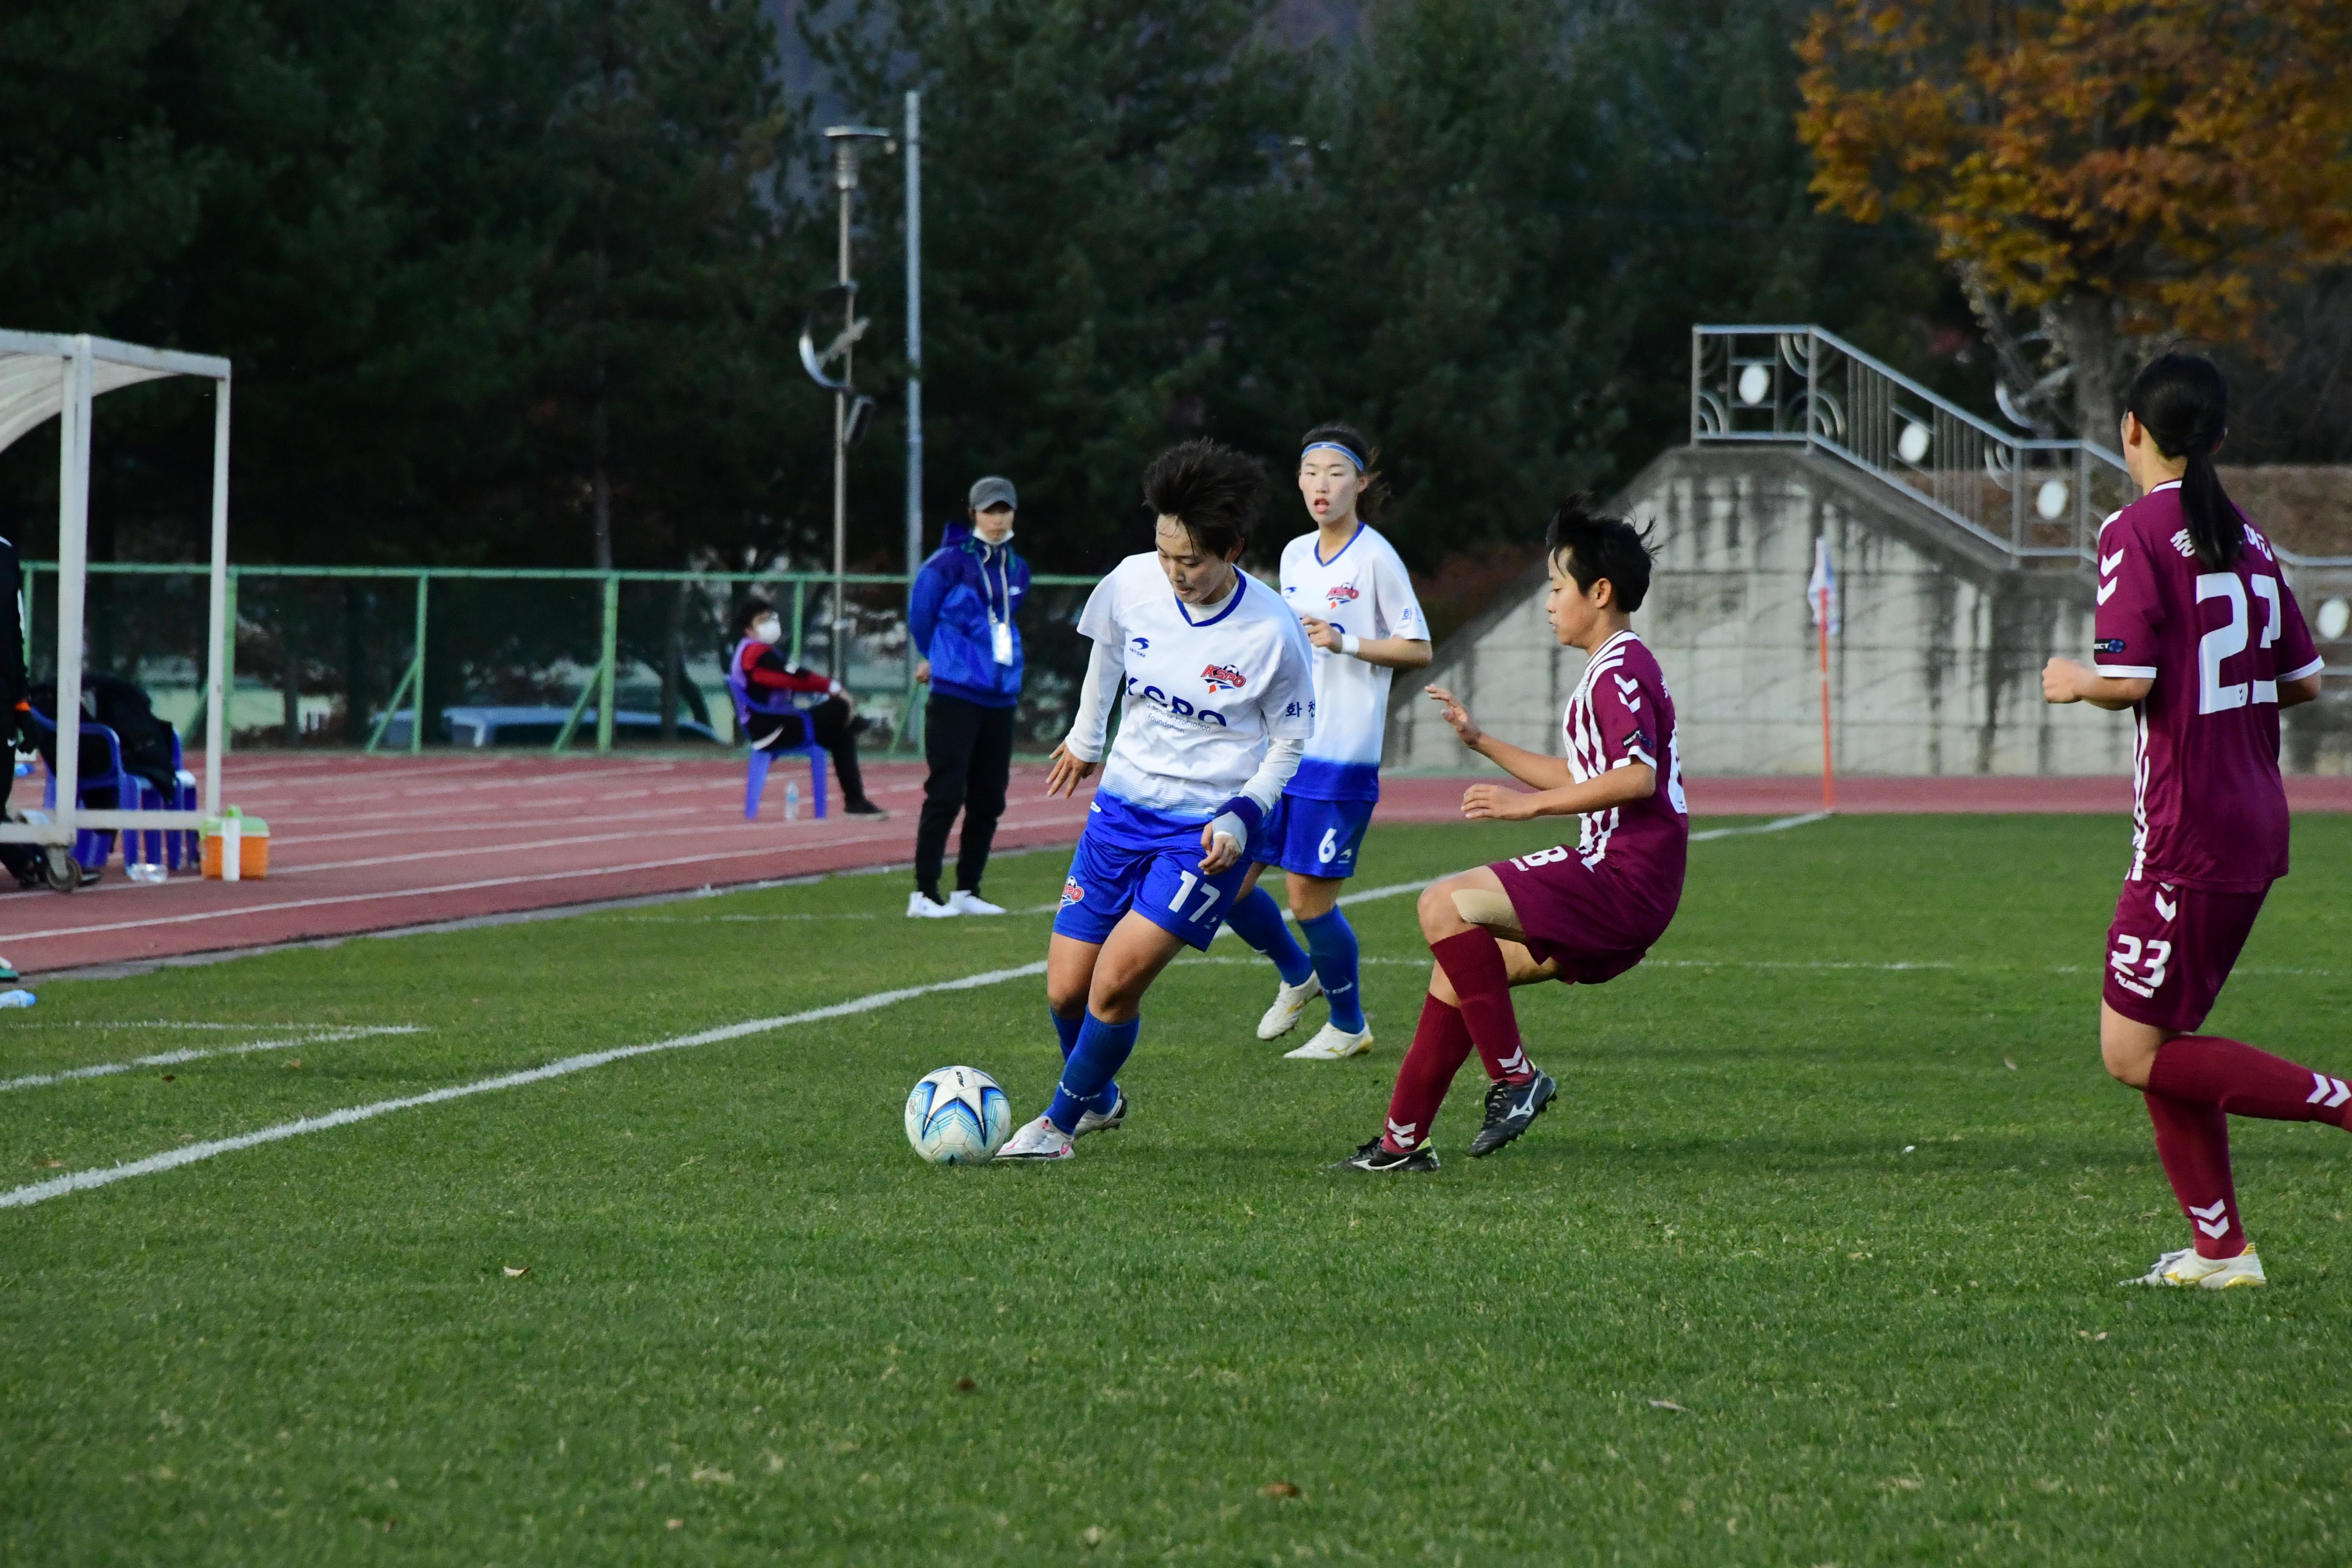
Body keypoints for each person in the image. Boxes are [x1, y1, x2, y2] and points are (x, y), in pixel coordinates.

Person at [2041, 351, 2338, 1290]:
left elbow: (2128, 679)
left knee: (2131, 1050)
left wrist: (2073, 679)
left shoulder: (2134, 528)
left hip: (2189, 830)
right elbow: (2306, 680)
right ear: (2217, 437)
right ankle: (2221, 1251)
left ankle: (2340, 1103)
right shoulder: (2247, 537)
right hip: (2255, 815)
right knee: (2167, 1047)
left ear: (2130, 428)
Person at [1333, 498, 1687, 1172]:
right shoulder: (1620, 667)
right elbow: (1587, 773)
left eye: (1558, 588)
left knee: (1441, 904)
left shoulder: (1618, 673)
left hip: (1621, 876)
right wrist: (1482, 741)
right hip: (1630, 884)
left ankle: (1516, 1077)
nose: (1550, 603)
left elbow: (1634, 780)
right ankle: (1401, 1144)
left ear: (1600, 592)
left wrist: (1526, 808)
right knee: (1463, 968)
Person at [995, 439, 1318, 1161]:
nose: (1175, 573)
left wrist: (1243, 811)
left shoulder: (1271, 632)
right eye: (1165, 554)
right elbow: (1106, 654)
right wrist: (1085, 738)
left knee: (1114, 984)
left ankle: (1056, 1123)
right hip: (1119, 811)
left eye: (1192, 561)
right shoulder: (1132, 582)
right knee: (1065, 991)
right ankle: (1099, 1095)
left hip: (1202, 833)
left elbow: (1289, 741)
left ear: (1232, 548)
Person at [1225, 424, 1431, 1059]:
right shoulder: (1290, 555)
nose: (1321, 485)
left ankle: (1349, 1024)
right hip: (1282, 748)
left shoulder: (1376, 558)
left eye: (1336, 473)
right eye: (1311, 471)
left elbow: (1417, 647)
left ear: (1361, 483)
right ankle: (1297, 975)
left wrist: (1347, 641)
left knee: (1306, 899)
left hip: (1340, 753)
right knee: (1224, 877)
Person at [905, 476, 1031, 918]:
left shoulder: (1017, 566)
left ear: (1013, 513)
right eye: (988, 510)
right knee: (946, 790)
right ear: (974, 513)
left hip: (1000, 693)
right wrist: (936, 657)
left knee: (989, 795)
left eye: (1004, 510)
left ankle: (967, 889)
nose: (997, 519)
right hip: (956, 689)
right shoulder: (946, 563)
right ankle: (923, 892)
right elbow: (921, 615)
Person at [729, 599, 884, 816]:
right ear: (749, 629)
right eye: (762, 620)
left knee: (842, 737)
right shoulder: (754, 653)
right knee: (839, 706)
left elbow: (792, 682)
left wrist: (820, 693)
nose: (771, 623)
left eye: (771, 617)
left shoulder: (760, 651)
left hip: (779, 723)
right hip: (771, 728)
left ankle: (855, 802)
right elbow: (792, 677)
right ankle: (852, 719)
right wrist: (833, 688)